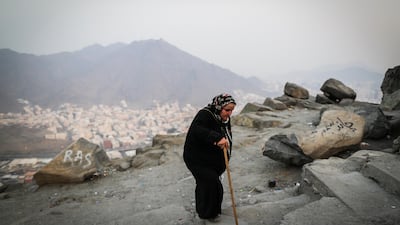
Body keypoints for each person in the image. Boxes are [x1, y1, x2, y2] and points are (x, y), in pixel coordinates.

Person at [183, 93, 236, 222]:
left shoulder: (223, 118)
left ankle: (210, 212)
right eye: (227, 110)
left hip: (209, 159)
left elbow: (225, 135)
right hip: (196, 158)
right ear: (219, 107)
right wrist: (216, 138)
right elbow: (197, 130)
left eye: (231, 110)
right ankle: (206, 214)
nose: (229, 114)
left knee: (209, 184)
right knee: (210, 183)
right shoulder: (205, 114)